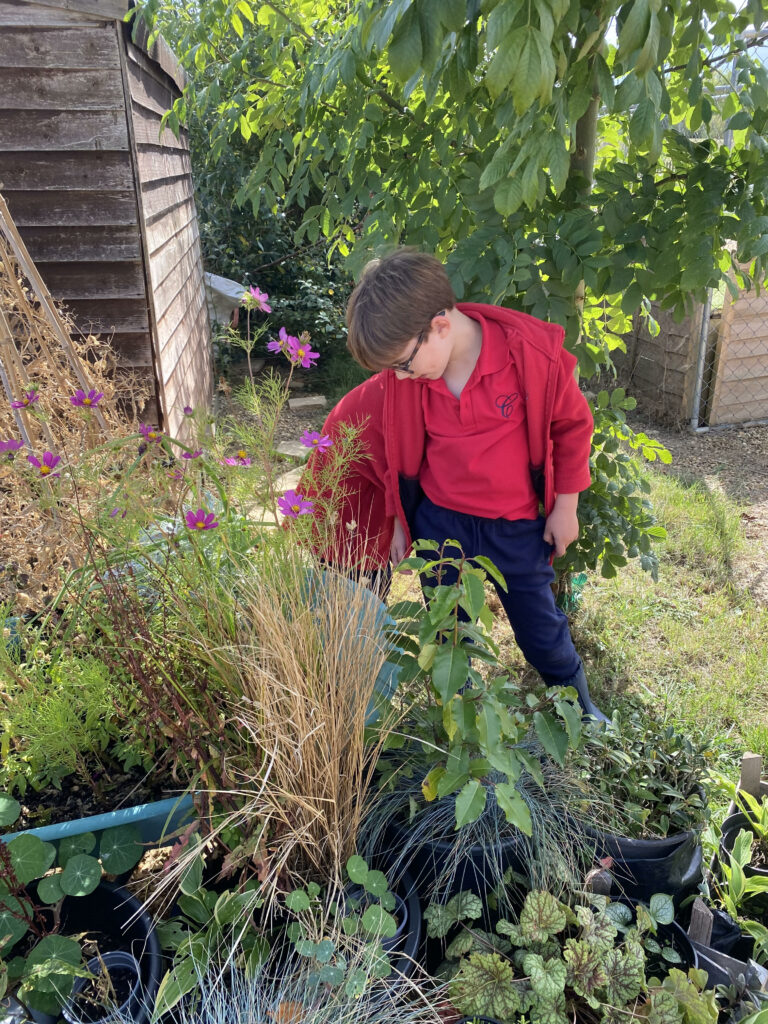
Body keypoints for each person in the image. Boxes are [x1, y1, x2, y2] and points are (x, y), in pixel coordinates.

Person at [303, 249, 608, 721]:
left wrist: (565, 507)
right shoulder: (413, 381)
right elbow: (398, 455)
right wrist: (401, 522)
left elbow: (572, 427)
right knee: (448, 630)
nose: (400, 376)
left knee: (540, 631)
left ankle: (583, 712)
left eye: (404, 362)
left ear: (440, 326)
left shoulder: (528, 356)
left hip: (516, 526)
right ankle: (466, 716)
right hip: (442, 525)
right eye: (394, 369)